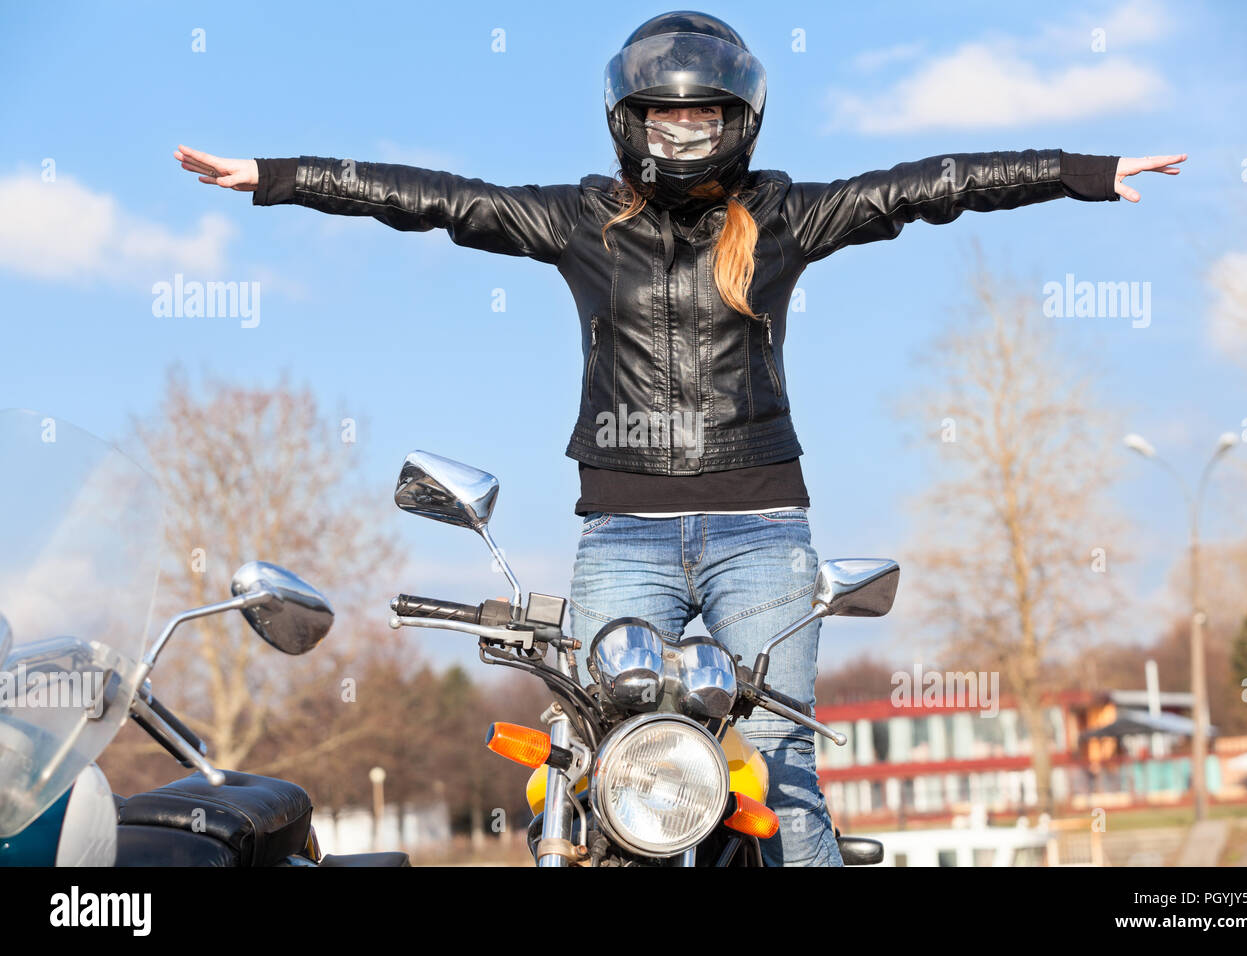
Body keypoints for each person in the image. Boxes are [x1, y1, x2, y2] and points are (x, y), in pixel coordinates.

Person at [175, 10, 1184, 866]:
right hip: (623, 534)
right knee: (585, 775)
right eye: (668, 110)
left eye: (703, 111)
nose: (686, 127)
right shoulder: (583, 220)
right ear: (633, 120)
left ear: (735, 120)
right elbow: (436, 200)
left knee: (789, 785)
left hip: (763, 533)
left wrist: (1082, 170)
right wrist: (273, 173)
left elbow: (933, 184)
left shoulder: (781, 215)